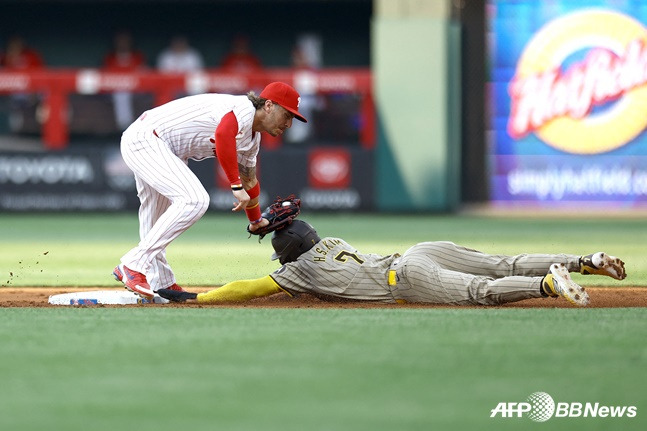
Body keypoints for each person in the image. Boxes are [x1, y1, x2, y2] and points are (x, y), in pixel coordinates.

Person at [112, 82, 308, 299]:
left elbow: (250, 181)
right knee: (194, 200)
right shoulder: (244, 109)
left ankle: (161, 283)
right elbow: (224, 134)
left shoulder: (252, 140)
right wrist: (235, 186)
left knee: (155, 216)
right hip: (147, 138)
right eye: (287, 115)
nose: (289, 124)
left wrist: (255, 220)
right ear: (269, 105)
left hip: (164, 148)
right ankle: (132, 264)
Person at [158, 220, 627, 307]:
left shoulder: (296, 271)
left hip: (405, 277)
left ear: (286, 255)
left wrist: (204, 297)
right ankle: (584, 260)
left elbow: (249, 288)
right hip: (417, 250)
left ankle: (547, 286)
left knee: (478, 292)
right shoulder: (332, 240)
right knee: (502, 262)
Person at [102, 30, 147, 129]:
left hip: (136, 90)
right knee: (121, 93)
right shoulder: (110, 57)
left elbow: (144, 75)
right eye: (120, 41)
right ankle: (125, 126)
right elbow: (104, 76)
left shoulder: (137, 57)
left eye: (126, 41)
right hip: (114, 90)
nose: (123, 44)